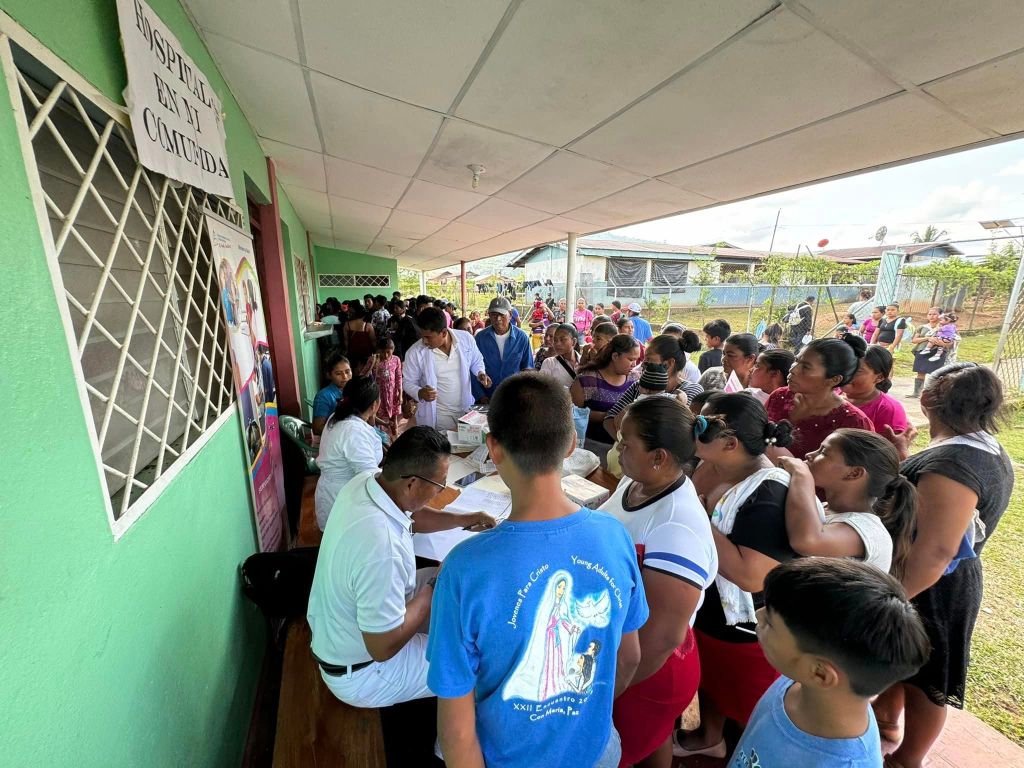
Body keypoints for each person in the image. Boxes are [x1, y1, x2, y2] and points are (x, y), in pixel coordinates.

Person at [428, 374, 648, 768]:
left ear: (493, 448)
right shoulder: (615, 537)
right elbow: (629, 656)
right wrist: (577, 715)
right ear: (571, 443)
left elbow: (457, 731)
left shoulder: (463, 569)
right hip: (595, 748)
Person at [875, 363, 1013, 768]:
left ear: (928, 399)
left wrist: (887, 597)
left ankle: (907, 759)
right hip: (930, 580)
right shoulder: (975, 445)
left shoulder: (952, 465)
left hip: (932, 587)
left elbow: (936, 551)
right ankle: (886, 722)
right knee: (904, 662)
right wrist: (905, 458)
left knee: (927, 677)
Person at [308, 428, 494, 709]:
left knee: (446, 586)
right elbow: (382, 646)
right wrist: (433, 588)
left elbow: (413, 514)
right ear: (411, 484)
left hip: (339, 632)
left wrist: (463, 519)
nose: (440, 492)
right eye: (440, 485)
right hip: (363, 671)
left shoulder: (368, 482)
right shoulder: (382, 548)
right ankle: (447, 749)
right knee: (474, 662)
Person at [675, 393, 797, 759]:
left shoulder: (769, 492)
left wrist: (695, 516)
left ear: (730, 443)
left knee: (748, 708)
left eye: (700, 426)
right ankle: (711, 737)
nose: (690, 429)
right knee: (709, 683)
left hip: (742, 627)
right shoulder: (711, 465)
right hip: (706, 606)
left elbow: (751, 575)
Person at [600, 397, 717, 767]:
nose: (618, 449)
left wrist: (609, 689)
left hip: (648, 668)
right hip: (627, 649)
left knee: (625, 742)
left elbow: (661, 636)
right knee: (650, 739)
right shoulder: (637, 483)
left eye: (626, 444)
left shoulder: (676, 526)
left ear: (659, 456)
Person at [731, 558, 930, 768]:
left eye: (770, 623)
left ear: (820, 674)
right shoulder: (797, 679)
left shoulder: (845, 763)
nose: (757, 615)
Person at [779, 429, 917, 576]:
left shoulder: (868, 530)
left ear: (854, 473)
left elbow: (807, 541)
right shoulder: (823, 508)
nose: (809, 454)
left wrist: (801, 475)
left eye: (823, 452)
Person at [765, 334, 874, 458]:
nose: (793, 370)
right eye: (796, 360)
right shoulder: (779, 396)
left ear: (834, 379)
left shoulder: (853, 423)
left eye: (805, 367)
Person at [402, 307, 491, 431]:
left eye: (428, 337)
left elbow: (476, 360)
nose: (424, 341)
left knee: (465, 445)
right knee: (444, 446)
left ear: (444, 333)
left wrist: (480, 373)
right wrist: (420, 392)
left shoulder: (465, 338)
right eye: (423, 336)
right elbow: (407, 382)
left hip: (465, 410)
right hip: (439, 415)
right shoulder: (415, 352)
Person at [313, 376, 383, 531]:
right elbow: (370, 476)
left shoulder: (338, 417)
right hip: (342, 499)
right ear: (374, 405)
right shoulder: (353, 431)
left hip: (336, 493)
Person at [603, 334, 705, 440]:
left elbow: (674, 429)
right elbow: (609, 419)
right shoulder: (639, 385)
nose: (642, 364)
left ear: (669, 363)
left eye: (648, 360)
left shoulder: (691, 390)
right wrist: (625, 444)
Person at [571, 334, 641, 463]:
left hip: (620, 450)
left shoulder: (635, 380)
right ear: (615, 356)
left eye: (636, 359)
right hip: (590, 447)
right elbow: (573, 414)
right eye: (631, 359)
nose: (634, 364)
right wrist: (611, 415)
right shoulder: (587, 380)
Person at [473, 296, 534, 402]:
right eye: (493, 315)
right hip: (487, 396)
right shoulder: (480, 338)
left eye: (501, 314)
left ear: (510, 315)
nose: (498, 319)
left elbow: (527, 367)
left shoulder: (522, 337)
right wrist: (481, 396)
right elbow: (473, 368)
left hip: (514, 397)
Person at [841, 345, 908, 440]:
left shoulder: (888, 410)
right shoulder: (830, 393)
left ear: (879, 377)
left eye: (857, 371)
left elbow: (887, 452)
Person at [907, 307, 949, 398]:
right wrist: (927, 338)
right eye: (929, 314)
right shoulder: (922, 327)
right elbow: (914, 340)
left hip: (937, 352)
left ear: (940, 316)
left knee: (937, 373)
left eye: (934, 314)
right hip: (922, 351)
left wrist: (940, 342)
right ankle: (917, 392)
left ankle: (934, 395)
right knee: (920, 372)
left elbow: (950, 340)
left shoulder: (945, 328)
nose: (931, 316)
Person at [312, 352, 353, 435]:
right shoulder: (324, 396)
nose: (344, 377)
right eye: (338, 373)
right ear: (329, 375)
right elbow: (317, 428)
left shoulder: (353, 390)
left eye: (347, 372)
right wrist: (345, 432)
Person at [372, 338, 403, 438]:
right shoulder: (375, 361)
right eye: (382, 352)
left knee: (394, 416)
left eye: (388, 352)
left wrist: (400, 394)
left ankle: (395, 434)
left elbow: (399, 377)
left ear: (393, 350)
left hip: (393, 393)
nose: (385, 355)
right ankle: (379, 436)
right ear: (378, 351)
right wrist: (374, 366)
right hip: (380, 394)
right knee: (379, 415)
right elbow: (370, 377)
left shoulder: (396, 360)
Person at [539, 323, 581, 388]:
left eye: (562, 339)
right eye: (555, 340)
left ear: (574, 342)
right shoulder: (549, 363)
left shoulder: (583, 362)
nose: (558, 344)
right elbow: (543, 390)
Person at [343, 301, 376, 374]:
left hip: (352, 353)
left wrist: (347, 350)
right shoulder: (368, 326)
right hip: (366, 354)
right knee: (366, 372)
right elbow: (373, 341)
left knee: (353, 371)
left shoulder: (347, 325)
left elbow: (346, 341)